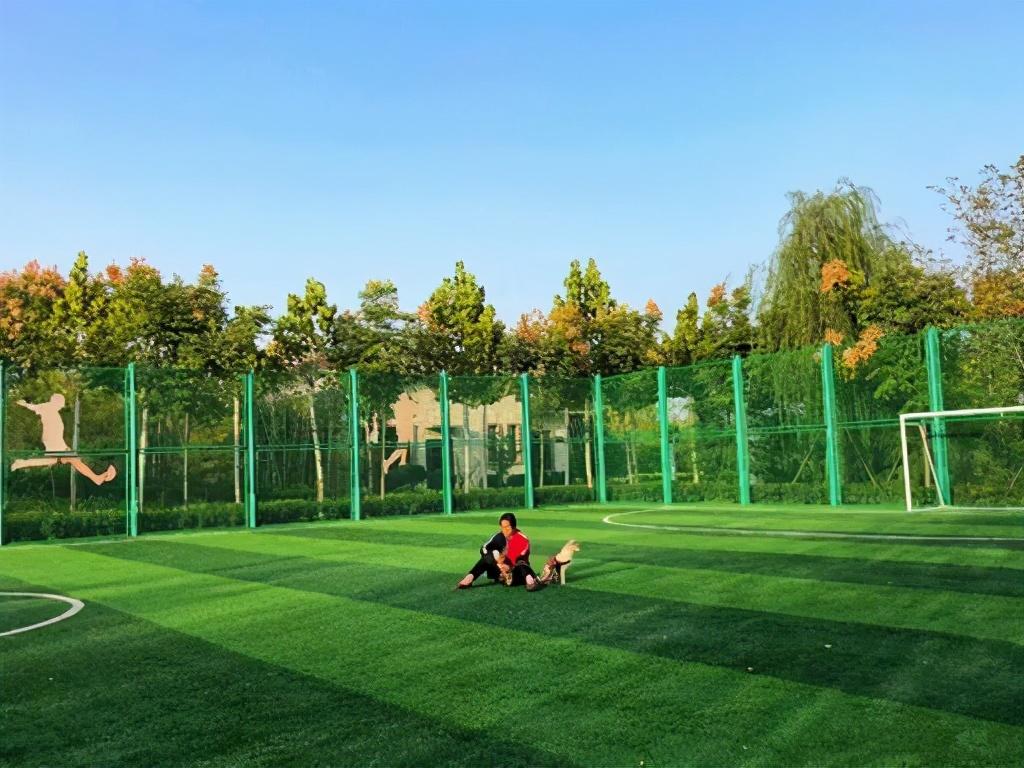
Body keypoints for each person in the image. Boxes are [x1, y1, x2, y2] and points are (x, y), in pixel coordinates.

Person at [11, 394, 117, 485]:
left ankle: (21, 463)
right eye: (61, 403)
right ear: (56, 401)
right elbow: (34, 407)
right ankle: (96, 478)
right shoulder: (48, 407)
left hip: (56, 441)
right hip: (53, 441)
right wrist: (24, 404)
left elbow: (35, 408)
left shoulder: (51, 410)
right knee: (72, 459)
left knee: (59, 460)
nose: (62, 406)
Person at [455, 513, 544, 591]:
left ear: (514, 526)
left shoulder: (521, 539)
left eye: (507, 527)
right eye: (502, 527)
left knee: (521, 563)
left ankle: (530, 581)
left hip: (515, 572)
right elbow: (484, 548)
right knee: (489, 555)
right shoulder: (499, 537)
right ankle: (470, 577)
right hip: (499, 572)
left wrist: (506, 566)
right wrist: (496, 559)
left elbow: (516, 558)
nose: (504, 530)